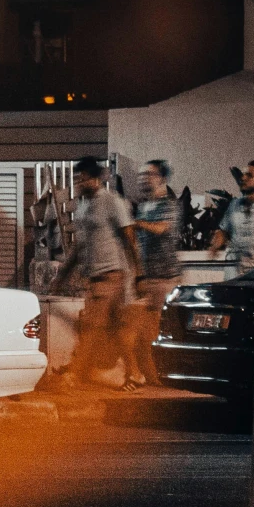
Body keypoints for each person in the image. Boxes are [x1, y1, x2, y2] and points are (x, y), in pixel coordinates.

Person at [58, 158, 135, 388]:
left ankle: (74, 373)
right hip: (93, 276)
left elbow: (129, 236)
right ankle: (134, 372)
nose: (78, 183)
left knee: (90, 325)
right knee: (115, 329)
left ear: (94, 179)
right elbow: (79, 246)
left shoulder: (112, 202)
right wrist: (63, 274)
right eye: (77, 179)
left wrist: (137, 273)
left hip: (111, 274)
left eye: (82, 178)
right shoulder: (83, 206)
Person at [125, 160, 180, 390]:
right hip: (146, 278)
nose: (144, 178)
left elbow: (161, 229)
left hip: (164, 278)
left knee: (153, 331)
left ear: (162, 178)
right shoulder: (144, 206)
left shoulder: (169, 205)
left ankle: (155, 377)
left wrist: (136, 224)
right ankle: (146, 376)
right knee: (142, 332)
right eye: (142, 175)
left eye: (149, 174)